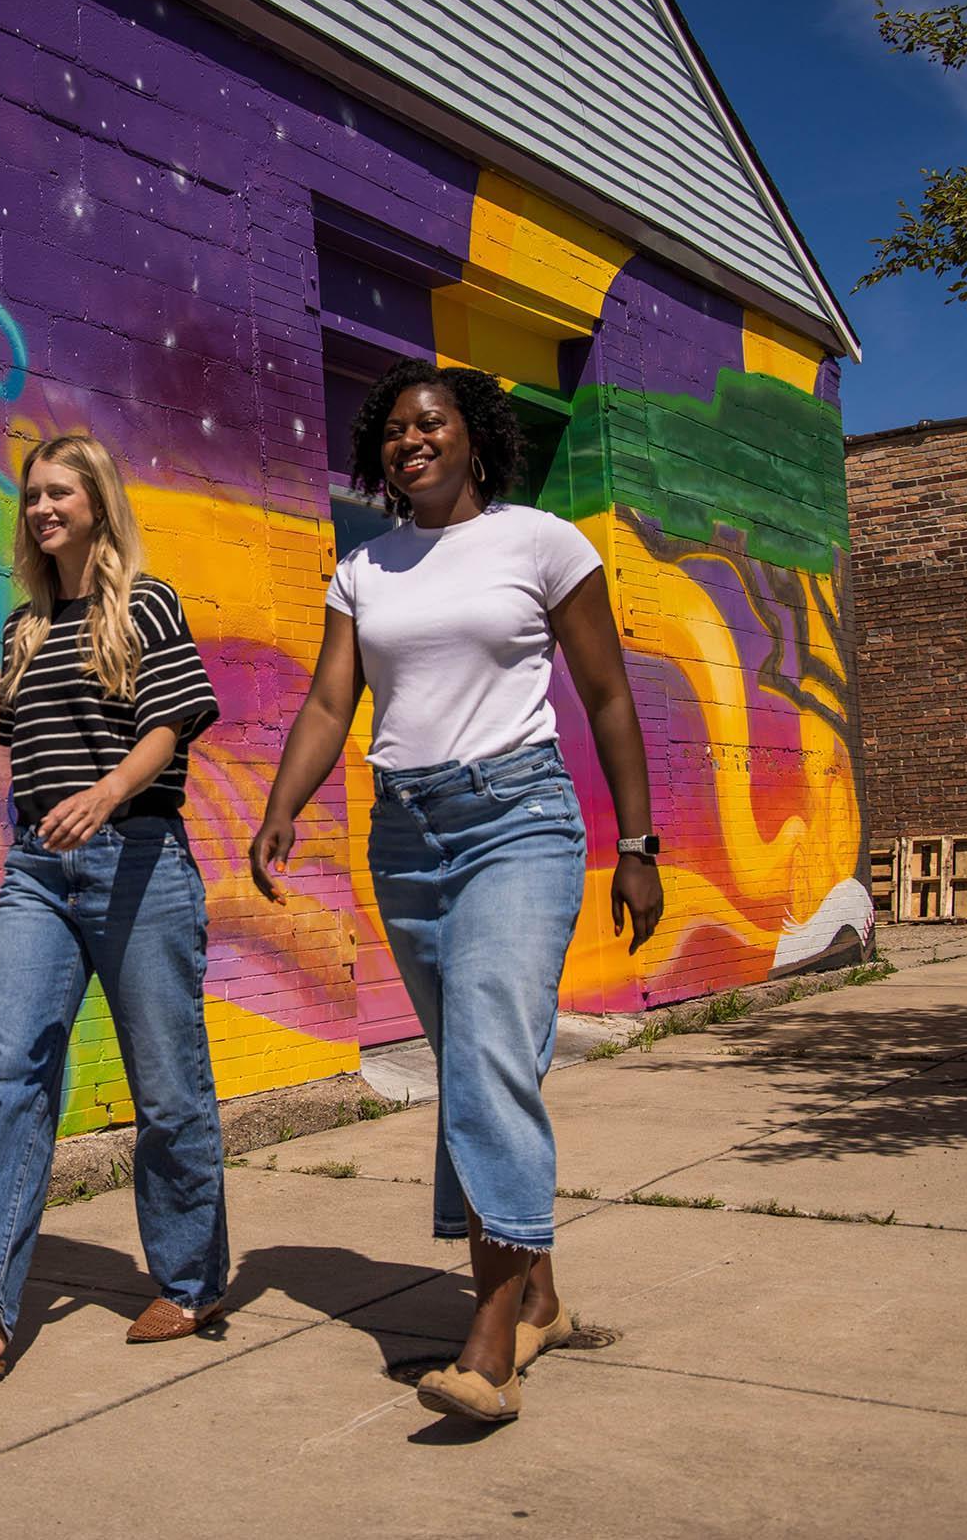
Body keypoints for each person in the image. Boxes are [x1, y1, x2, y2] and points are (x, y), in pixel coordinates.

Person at [252, 361, 665, 1424]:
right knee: (481, 1063)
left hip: (519, 818)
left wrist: (639, 841)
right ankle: (541, 1295)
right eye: (392, 430)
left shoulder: (540, 542)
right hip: (408, 834)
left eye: (429, 423)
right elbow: (327, 699)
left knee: (484, 1047)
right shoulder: (366, 569)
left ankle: (489, 1338)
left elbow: (608, 693)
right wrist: (282, 806)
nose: (410, 440)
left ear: (474, 438)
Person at [0, 433, 229, 1374]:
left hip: (138, 858)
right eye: (33, 495)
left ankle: (190, 1282)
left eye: (60, 492)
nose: (41, 508)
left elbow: (171, 723)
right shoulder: (24, 628)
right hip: (38, 871)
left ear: (98, 503)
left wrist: (107, 796)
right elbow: (20, 756)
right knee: (10, 1075)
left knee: (167, 1085)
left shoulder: (145, 604)